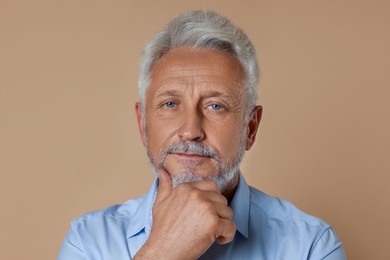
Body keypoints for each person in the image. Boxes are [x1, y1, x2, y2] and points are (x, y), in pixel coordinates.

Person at [58, 10, 346, 260]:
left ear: (250, 128)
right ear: (143, 124)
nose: (191, 131)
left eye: (215, 106)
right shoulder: (87, 243)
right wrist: (162, 252)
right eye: (170, 104)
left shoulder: (312, 247)